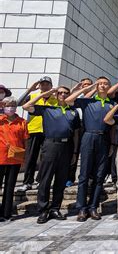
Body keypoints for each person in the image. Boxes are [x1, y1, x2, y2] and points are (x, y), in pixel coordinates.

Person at [23, 86, 81, 224]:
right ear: (56, 94)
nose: (62, 95)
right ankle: (43, 209)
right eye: (60, 93)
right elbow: (26, 106)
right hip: (50, 145)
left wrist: (74, 152)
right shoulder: (48, 109)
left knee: (60, 180)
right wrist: (47, 93)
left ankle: (55, 208)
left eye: (66, 93)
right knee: (45, 179)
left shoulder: (73, 111)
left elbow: (76, 133)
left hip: (66, 147)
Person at [65, 77, 114, 222]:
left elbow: (113, 127)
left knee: (99, 176)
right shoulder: (87, 101)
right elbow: (69, 100)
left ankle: (93, 206)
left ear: (109, 86)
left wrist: (112, 144)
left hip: (104, 139)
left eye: (105, 83)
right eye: (100, 83)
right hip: (88, 136)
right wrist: (88, 88)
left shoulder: (112, 104)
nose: (102, 86)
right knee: (84, 175)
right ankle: (82, 208)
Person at [17, 76, 57, 191]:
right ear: (39, 86)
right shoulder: (33, 96)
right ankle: (27, 182)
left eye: (47, 84)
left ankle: (41, 181)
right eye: (42, 84)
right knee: (30, 157)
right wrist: (30, 90)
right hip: (33, 130)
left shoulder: (55, 99)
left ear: (51, 86)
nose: (45, 86)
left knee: (46, 158)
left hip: (48, 131)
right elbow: (19, 103)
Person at [0, 97, 28, 222]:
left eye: (13, 105)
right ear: (3, 105)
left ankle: (6, 213)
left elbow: (25, 140)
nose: (10, 107)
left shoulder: (22, 121)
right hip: (1, 156)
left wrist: (25, 157)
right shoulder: (0, 120)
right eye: (8, 104)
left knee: (10, 186)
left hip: (15, 157)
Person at [66, 78, 93, 187]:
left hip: (89, 126)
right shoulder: (77, 97)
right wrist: (74, 89)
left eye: (88, 84)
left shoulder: (95, 97)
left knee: (89, 154)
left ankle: (89, 177)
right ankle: (70, 178)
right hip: (77, 126)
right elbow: (67, 100)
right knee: (74, 151)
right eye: (84, 84)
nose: (86, 86)